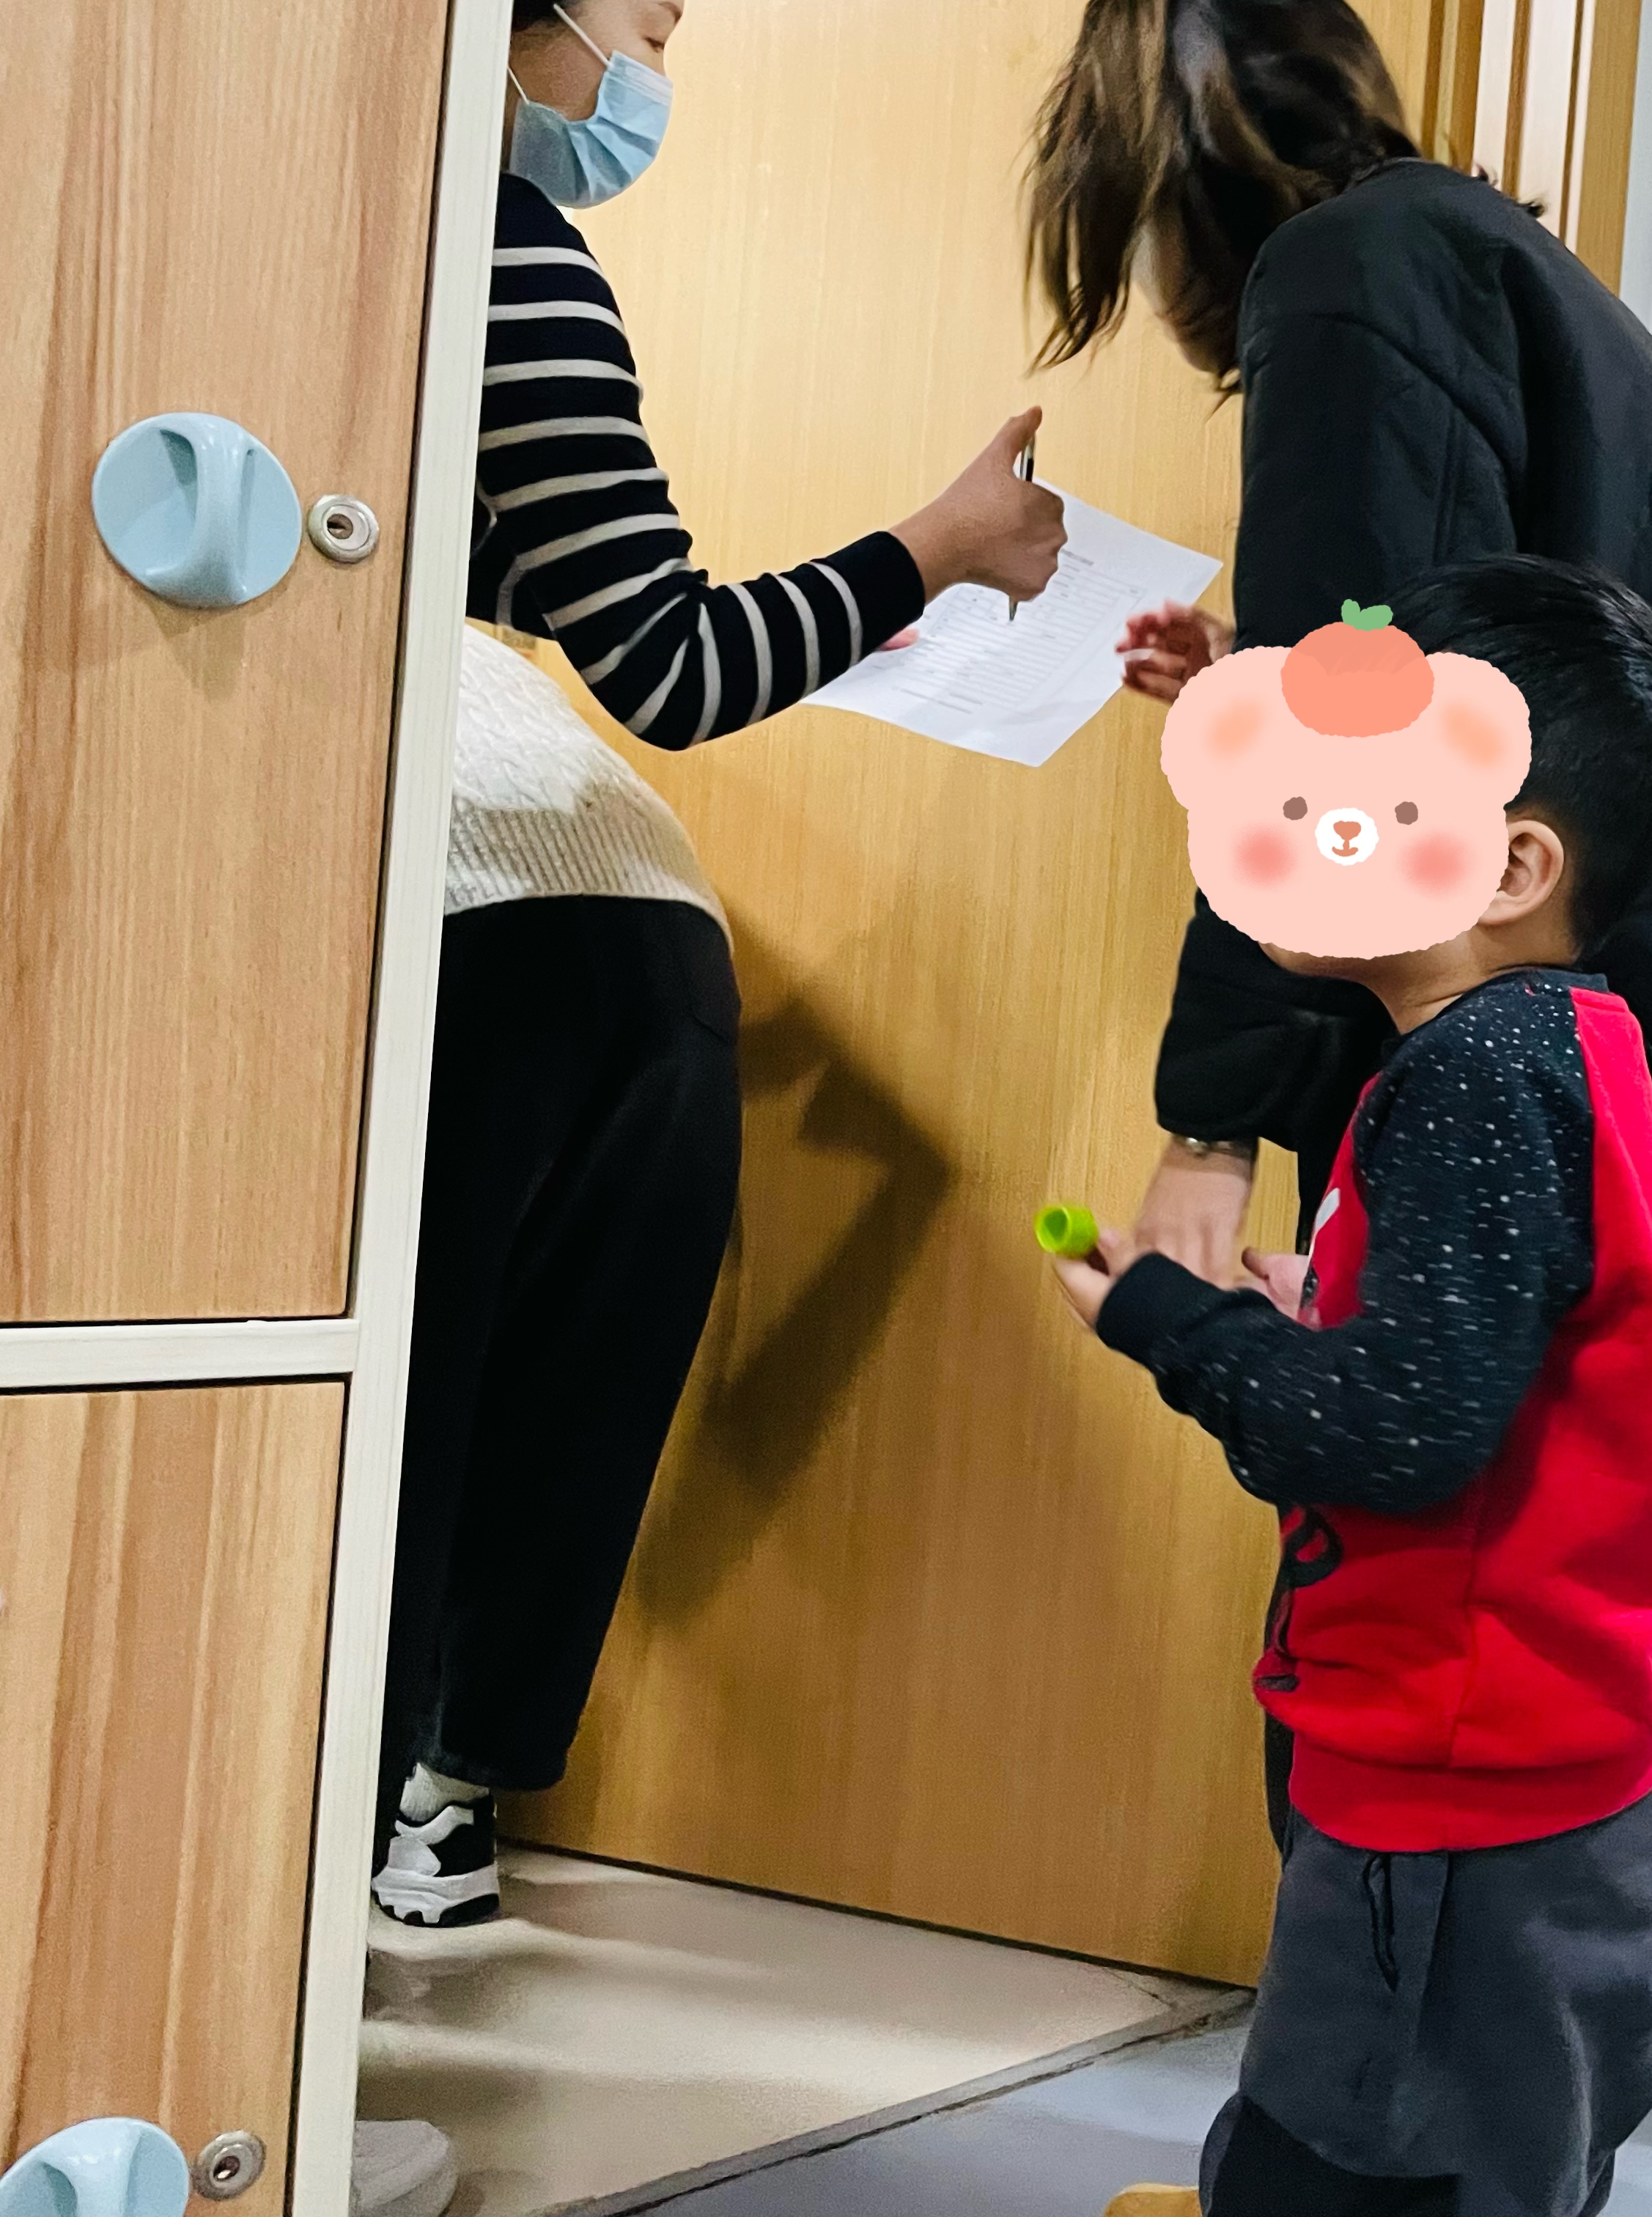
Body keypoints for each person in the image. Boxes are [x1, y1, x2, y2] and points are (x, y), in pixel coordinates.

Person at [369, 0, 1064, 1946]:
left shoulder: (383, 235)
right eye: (653, 22)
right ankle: (439, 1818)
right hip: (621, 924)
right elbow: (659, 662)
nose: (657, 70)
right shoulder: (499, 242)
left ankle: (286, 1912)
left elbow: (623, 640)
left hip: (491, 914)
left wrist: (922, 563)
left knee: (380, 1444)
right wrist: (935, 550)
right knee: (549, 1425)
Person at [1025, 0, 1652, 1371]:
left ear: (1163, 169)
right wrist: (1259, 660)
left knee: (1425, 1481)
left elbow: (1346, 731)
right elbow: (1457, 646)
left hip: (1552, 1021)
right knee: (1557, 1481)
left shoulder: (1343, 274)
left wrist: (1212, 1128)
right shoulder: (1465, 255)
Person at [1058, 558, 1652, 2217]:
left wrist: (1168, 1320)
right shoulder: (1565, 1044)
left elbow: (1396, 1437)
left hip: (1459, 1807)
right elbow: (1499, 1347)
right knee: (1482, 2154)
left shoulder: (1474, 1078)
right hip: (1558, 1773)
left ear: (1512, 866)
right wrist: (1325, 1304)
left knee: (1351, 2165)